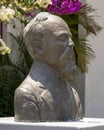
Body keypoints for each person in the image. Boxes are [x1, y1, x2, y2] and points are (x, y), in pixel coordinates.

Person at [14, 12, 83, 122]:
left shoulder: (72, 92)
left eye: (70, 37)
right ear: (38, 47)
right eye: (62, 38)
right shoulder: (27, 94)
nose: (71, 43)